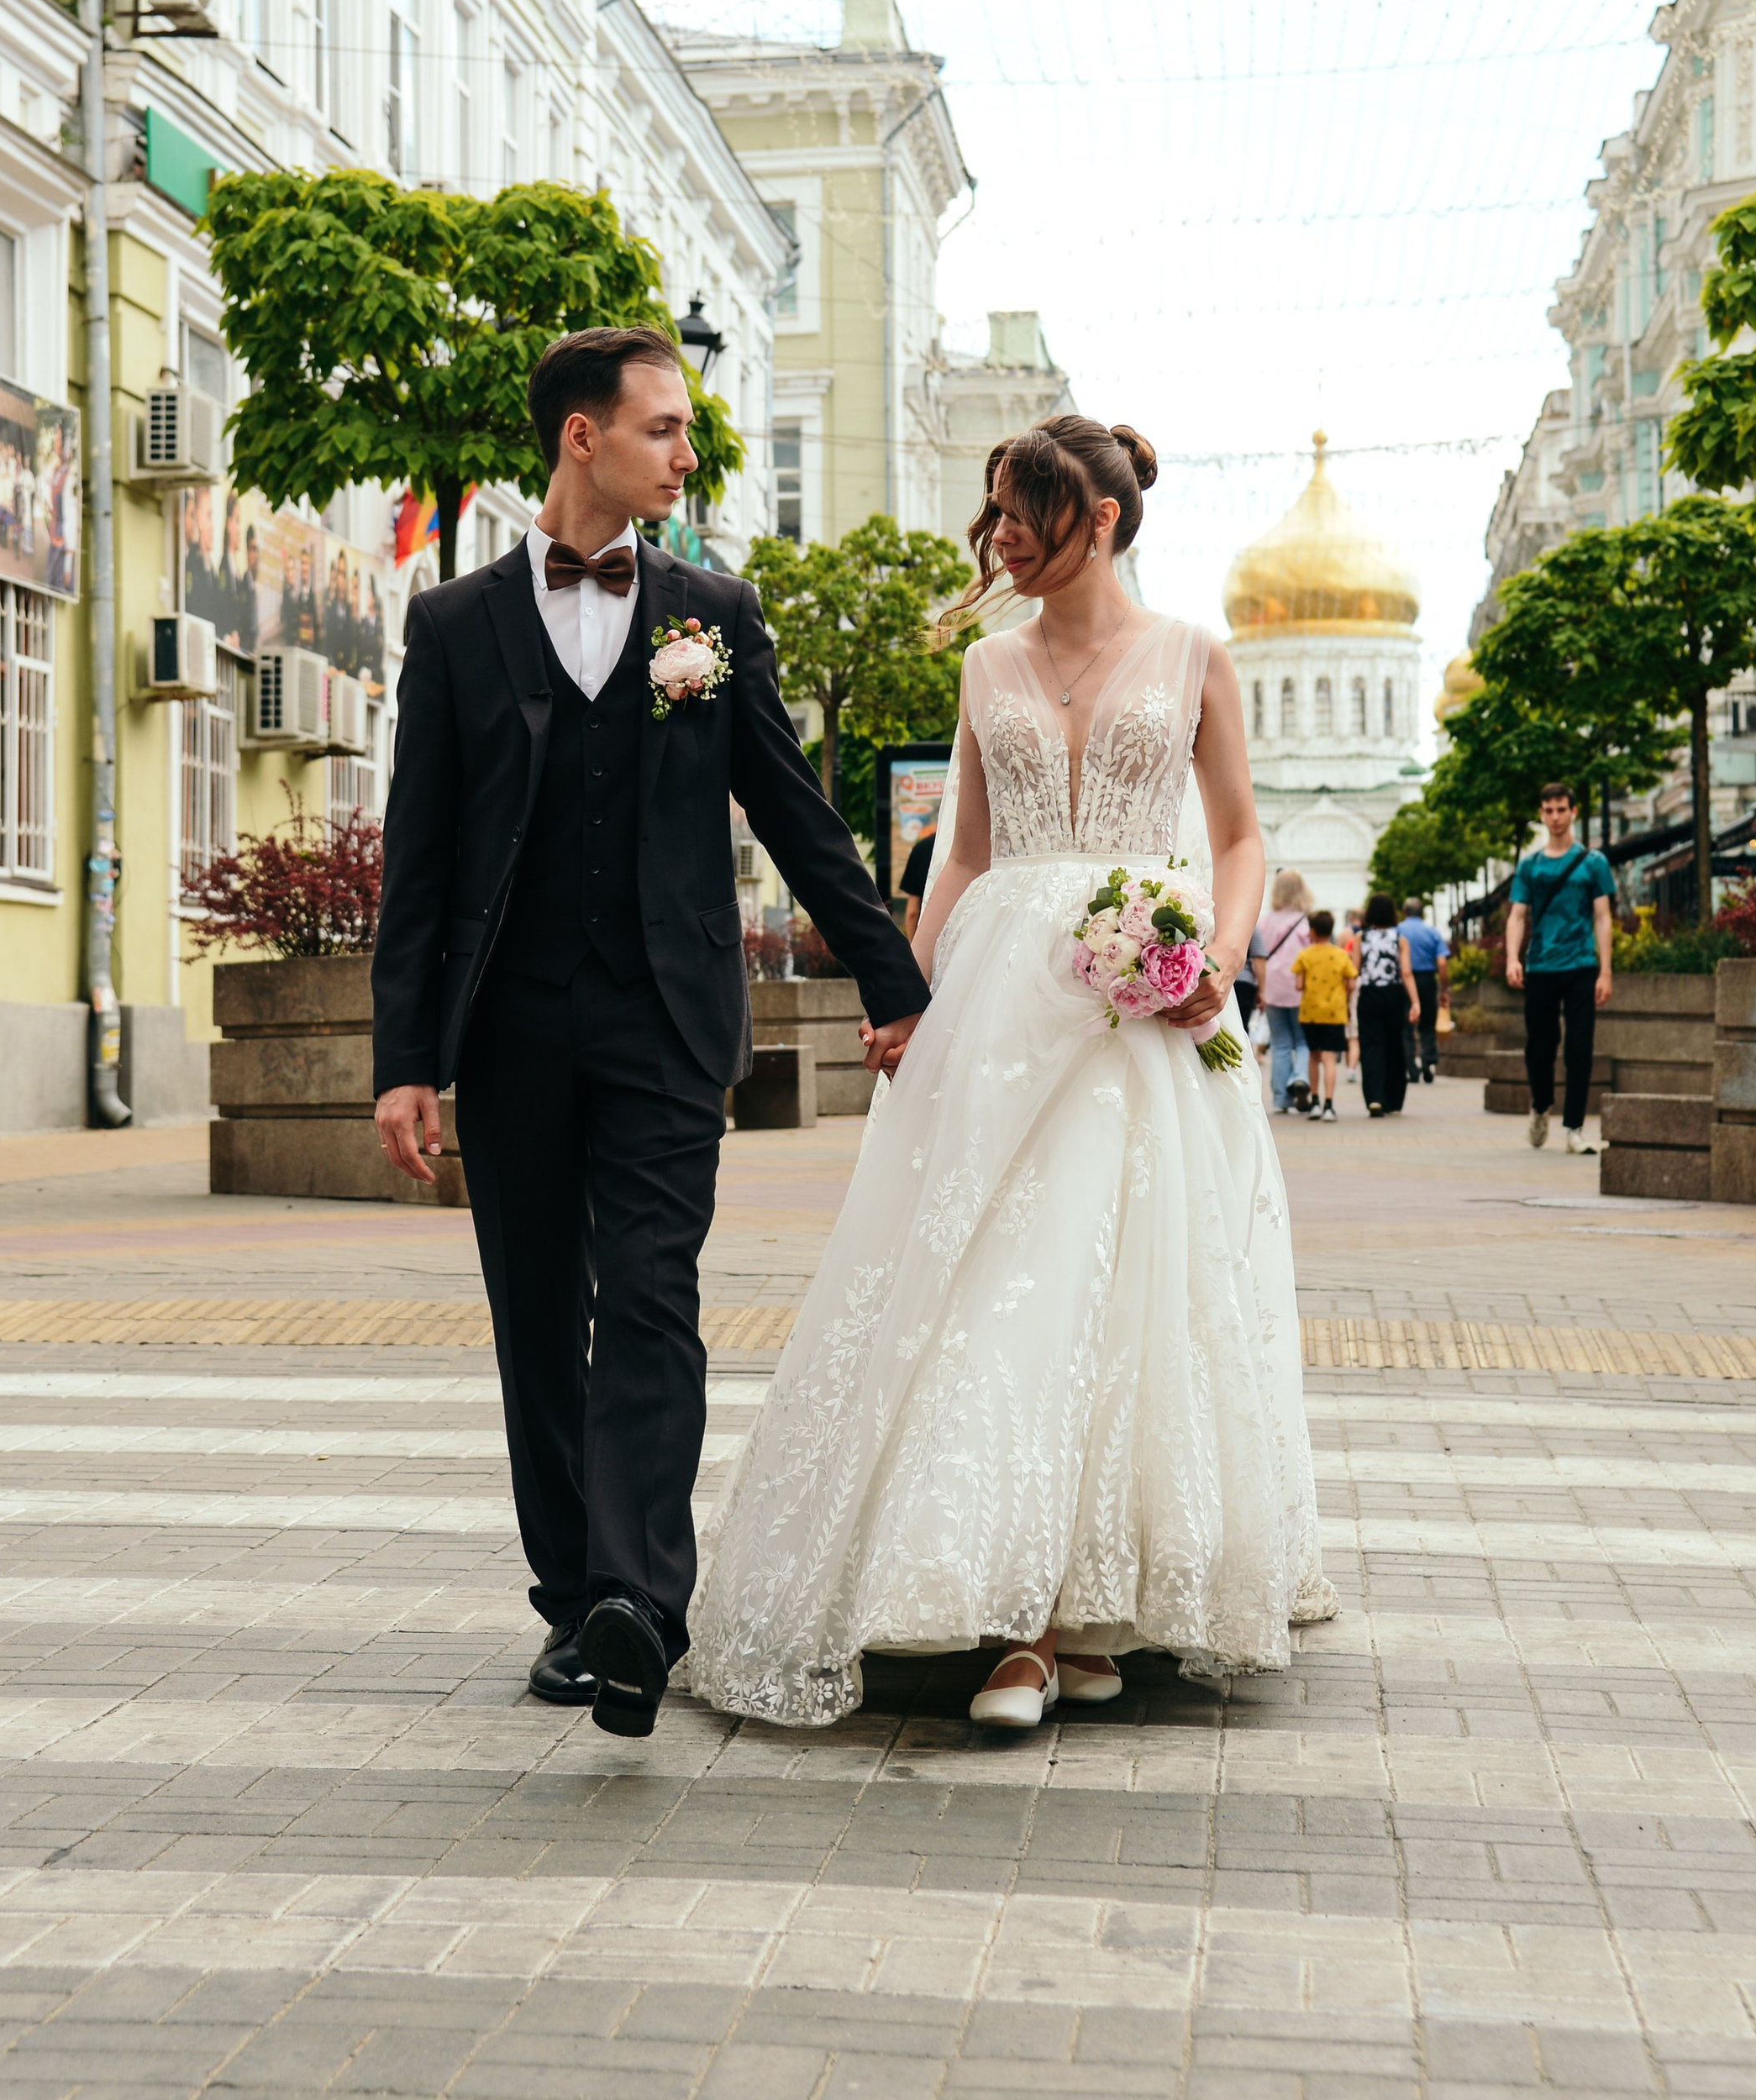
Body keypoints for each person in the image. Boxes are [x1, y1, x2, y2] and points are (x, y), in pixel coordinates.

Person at [689, 414, 1338, 1732]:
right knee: (996, 1268)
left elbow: (1239, 834)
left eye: (1020, 519)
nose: (998, 542)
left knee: (1135, 1288)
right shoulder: (987, 666)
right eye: (992, 517)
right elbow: (967, 854)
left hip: (1145, 1000)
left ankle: (1083, 1618)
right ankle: (1034, 1620)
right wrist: (907, 991)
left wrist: (1216, 953)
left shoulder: (1194, 652)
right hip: (1002, 994)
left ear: (1096, 518)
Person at [371, 325, 927, 1743]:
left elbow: (794, 809)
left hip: (669, 1014)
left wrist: (893, 976)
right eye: (666, 428)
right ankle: (571, 1593)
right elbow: (419, 865)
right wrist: (402, 1060)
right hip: (507, 1026)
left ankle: (637, 1597)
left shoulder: (712, 614)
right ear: (583, 437)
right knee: (539, 1308)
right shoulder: (452, 626)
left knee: (655, 1291)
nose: (690, 452)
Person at [1506, 779, 1617, 1156]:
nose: (1555, 817)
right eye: (1548, 811)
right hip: (1540, 967)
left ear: (1573, 812)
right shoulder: (1531, 866)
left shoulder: (1593, 863)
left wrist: (1606, 970)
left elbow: (1603, 917)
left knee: (1580, 1048)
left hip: (1582, 965)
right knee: (1540, 1046)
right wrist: (1511, 958)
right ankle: (1540, 1105)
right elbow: (1517, 915)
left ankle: (1574, 1128)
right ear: (1542, 814)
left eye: (1561, 810)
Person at [1253, 868, 1314, 1116]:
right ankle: (1300, 1077)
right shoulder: (1305, 921)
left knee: (1279, 1043)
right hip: (1300, 987)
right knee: (1302, 1040)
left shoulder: (1266, 920)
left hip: (1274, 987)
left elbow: (1261, 953)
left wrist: (1262, 990)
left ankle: (1280, 1097)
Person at [1354, 890, 1417, 1116]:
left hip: (1369, 995)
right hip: (1394, 996)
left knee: (1371, 1047)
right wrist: (1415, 1002)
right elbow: (1406, 972)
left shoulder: (1361, 938)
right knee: (1394, 1046)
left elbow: (1355, 970)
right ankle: (1394, 1100)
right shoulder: (1400, 938)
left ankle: (1375, 1098)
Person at [1295, 910, 1354, 1121]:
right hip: (1334, 1013)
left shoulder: (1305, 955)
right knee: (1329, 1058)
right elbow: (1352, 982)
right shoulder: (1342, 955)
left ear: (1312, 931)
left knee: (1314, 1056)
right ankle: (1329, 1106)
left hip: (1310, 1013)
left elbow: (1299, 984)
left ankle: (1315, 1102)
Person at [1400, 895, 1448, 1082]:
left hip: (1405, 982)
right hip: (1427, 980)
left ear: (1404, 912)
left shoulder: (1399, 931)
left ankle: (1411, 1068)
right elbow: (1442, 962)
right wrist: (1444, 987)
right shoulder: (1432, 932)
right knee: (1427, 1024)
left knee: (1406, 1026)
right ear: (1423, 913)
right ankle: (1429, 1061)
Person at [897, 816, 937, 938]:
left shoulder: (921, 849)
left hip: (929, 937)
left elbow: (913, 912)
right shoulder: (974, 847)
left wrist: (913, 947)